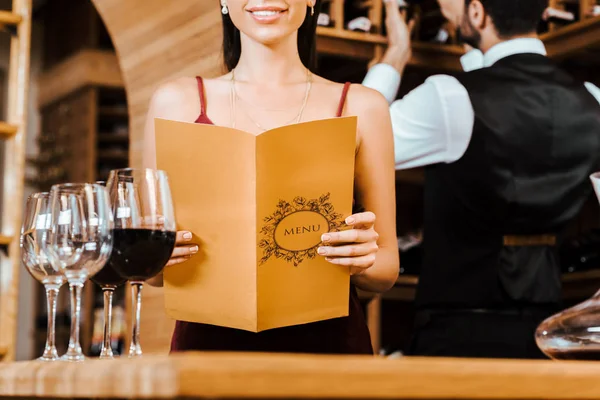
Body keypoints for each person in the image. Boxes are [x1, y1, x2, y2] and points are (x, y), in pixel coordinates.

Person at [142, 0, 399, 355]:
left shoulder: (362, 106)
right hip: (208, 349)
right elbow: (151, 274)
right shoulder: (177, 103)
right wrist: (159, 255)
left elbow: (387, 268)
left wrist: (362, 258)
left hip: (328, 349)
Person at [362, 0, 600, 359]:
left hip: (456, 334)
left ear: (477, 12)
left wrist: (394, 55)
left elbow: (358, 142)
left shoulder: (449, 97)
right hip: (549, 334)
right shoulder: (592, 100)